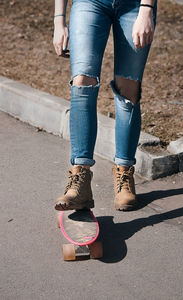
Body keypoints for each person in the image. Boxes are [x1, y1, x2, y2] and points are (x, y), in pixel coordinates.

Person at [53, 0, 157, 211]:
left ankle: (124, 173)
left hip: (134, 6)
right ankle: (80, 177)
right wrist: (59, 20)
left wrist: (147, 9)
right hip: (88, 3)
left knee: (128, 89)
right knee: (82, 82)